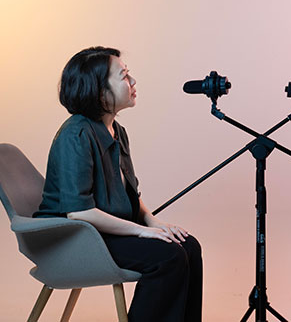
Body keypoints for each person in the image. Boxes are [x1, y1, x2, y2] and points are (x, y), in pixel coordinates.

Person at [34, 47, 202, 322]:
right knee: (168, 257)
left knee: (189, 246)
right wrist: (141, 232)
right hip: (76, 237)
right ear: (100, 91)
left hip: (104, 231)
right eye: (124, 76)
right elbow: (79, 211)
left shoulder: (117, 131)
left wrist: (152, 222)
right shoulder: (75, 134)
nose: (133, 82)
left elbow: (129, 193)